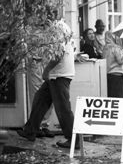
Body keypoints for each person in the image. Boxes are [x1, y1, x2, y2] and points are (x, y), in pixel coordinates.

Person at [17, 21, 78, 149]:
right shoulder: (63, 27)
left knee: (63, 109)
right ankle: (30, 130)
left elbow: (58, 54)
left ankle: (73, 139)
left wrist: (46, 70)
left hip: (59, 76)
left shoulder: (57, 28)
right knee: (40, 100)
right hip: (58, 74)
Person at [103, 31, 123, 98]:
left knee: (110, 97)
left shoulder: (105, 48)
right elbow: (121, 61)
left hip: (107, 74)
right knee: (118, 98)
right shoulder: (116, 47)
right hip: (117, 74)